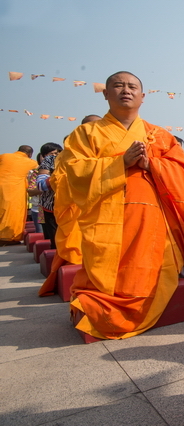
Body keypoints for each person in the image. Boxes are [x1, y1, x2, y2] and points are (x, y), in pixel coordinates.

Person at [53, 71, 184, 339]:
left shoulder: (158, 135)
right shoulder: (86, 134)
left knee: (156, 264)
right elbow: (71, 171)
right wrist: (119, 163)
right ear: (105, 93)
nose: (126, 90)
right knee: (112, 271)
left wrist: (153, 165)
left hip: (154, 217)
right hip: (108, 220)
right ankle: (110, 305)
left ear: (143, 96)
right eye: (118, 85)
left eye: (132, 86)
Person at [40, 117, 103, 297]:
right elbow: (44, 184)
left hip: (104, 204)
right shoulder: (60, 157)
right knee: (73, 244)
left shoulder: (110, 147)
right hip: (63, 207)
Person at [0, 145, 39, 245]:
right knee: (13, 213)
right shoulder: (32, 163)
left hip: (1, 186)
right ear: (30, 154)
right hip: (15, 190)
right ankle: (8, 238)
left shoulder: (4, 156)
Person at [36, 142, 63, 249]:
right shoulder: (35, 171)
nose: (56, 155)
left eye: (59, 152)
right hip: (46, 207)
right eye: (53, 154)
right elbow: (36, 188)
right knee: (52, 238)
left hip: (73, 207)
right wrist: (57, 178)